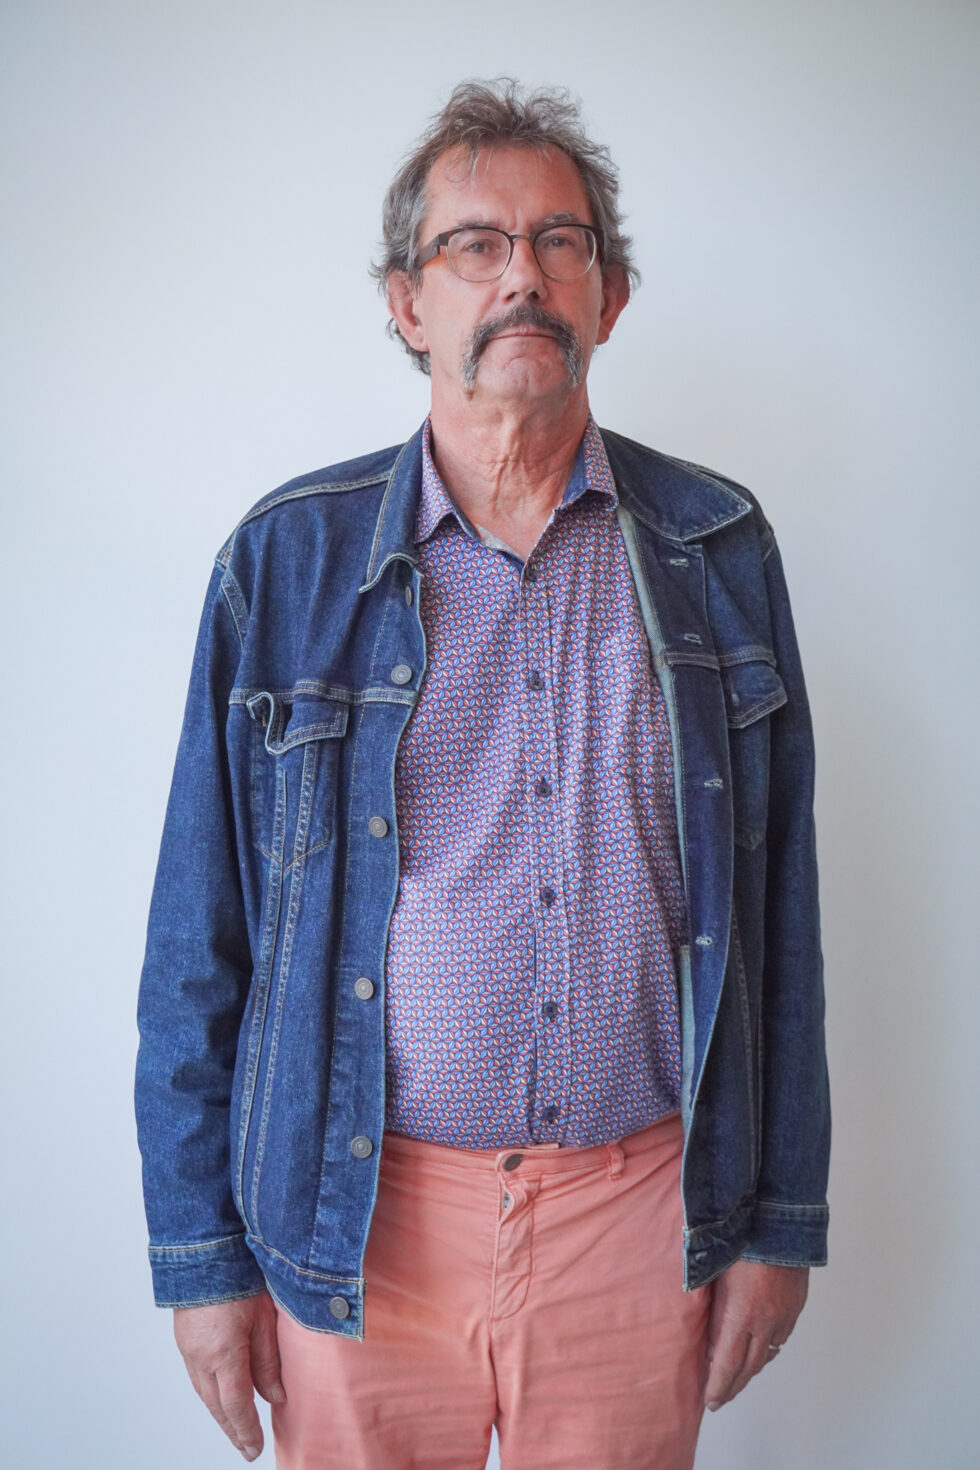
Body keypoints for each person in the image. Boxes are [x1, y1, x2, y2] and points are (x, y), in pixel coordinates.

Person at [135, 78, 830, 1470]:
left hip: (638, 1216)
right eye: (476, 244)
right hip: (355, 1220)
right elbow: (198, 938)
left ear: (609, 297)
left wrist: (778, 1220)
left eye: (560, 241)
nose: (523, 275)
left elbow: (779, 920)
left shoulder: (718, 548)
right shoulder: (285, 563)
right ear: (407, 303)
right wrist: (199, 1259)